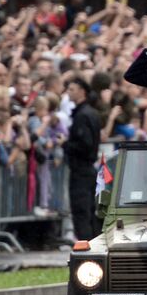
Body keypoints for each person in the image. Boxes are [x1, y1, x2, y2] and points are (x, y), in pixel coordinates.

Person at [63, 77, 103, 241]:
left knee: (81, 211)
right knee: (89, 211)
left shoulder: (83, 115)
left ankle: (86, 248)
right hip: (87, 169)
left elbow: (84, 145)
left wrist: (65, 144)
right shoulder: (91, 113)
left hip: (81, 169)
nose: (69, 93)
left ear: (82, 92)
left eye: (72, 89)